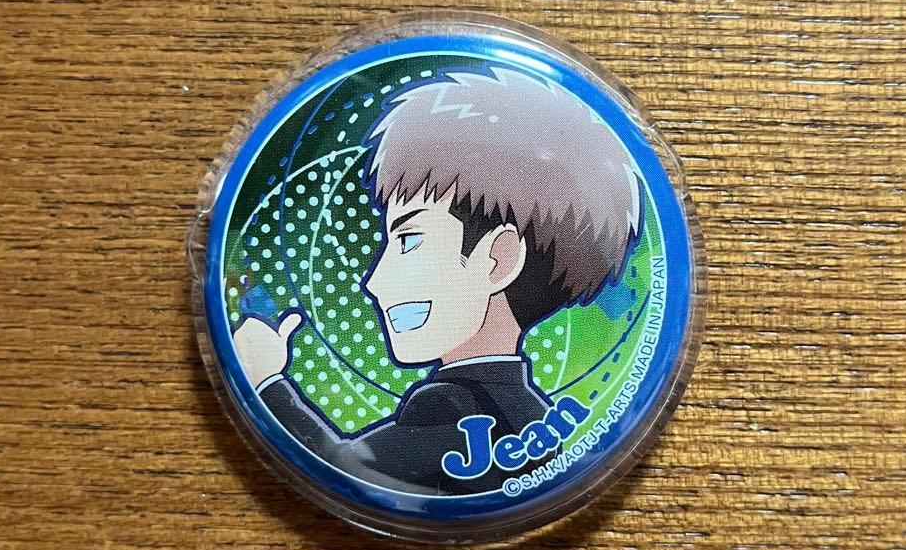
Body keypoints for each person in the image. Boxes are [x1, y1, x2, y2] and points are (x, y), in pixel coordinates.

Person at [234, 65, 641, 494]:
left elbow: (346, 470)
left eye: (408, 240)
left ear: (498, 259)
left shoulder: (450, 406)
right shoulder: (534, 414)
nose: (373, 282)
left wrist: (267, 382)